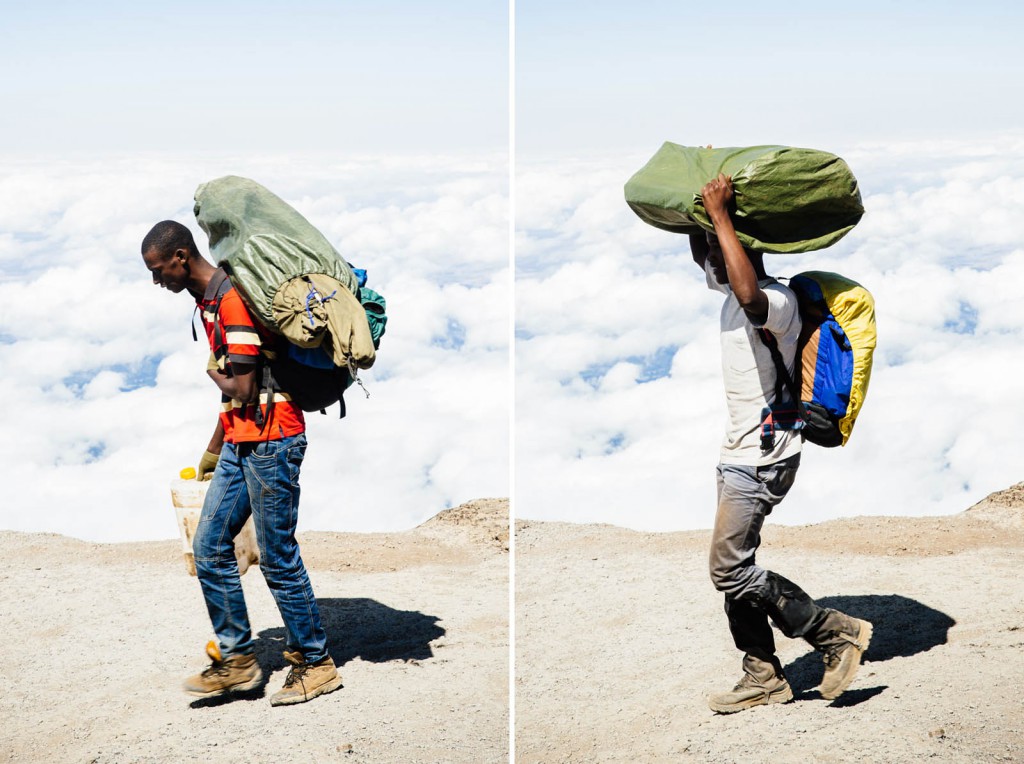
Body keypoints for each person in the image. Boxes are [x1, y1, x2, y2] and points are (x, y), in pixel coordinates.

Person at [141, 219, 342, 706]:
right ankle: (238, 661)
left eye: (159, 268)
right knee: (209, 547)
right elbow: (242, 397)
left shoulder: (229, 300)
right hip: (242, 440)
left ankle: (317, 664)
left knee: (277, 556)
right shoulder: (208, 301)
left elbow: (244, 387)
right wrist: (214, 450)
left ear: (182, 257)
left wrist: (212, 372)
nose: (157, 280)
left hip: (273, 442)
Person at [691, 174, 872, 714]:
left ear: (744, 251)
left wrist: (724, 218)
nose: (711, 263)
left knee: (729, 569)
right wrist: (701, 210)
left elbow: (748, 292)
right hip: (739, 453)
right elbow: (715, 260)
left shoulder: (775, 300)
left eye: (721, 249)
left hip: (763, 457)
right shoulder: (730, 284)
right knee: (737, 567)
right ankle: (763, 674)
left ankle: (834, 633)